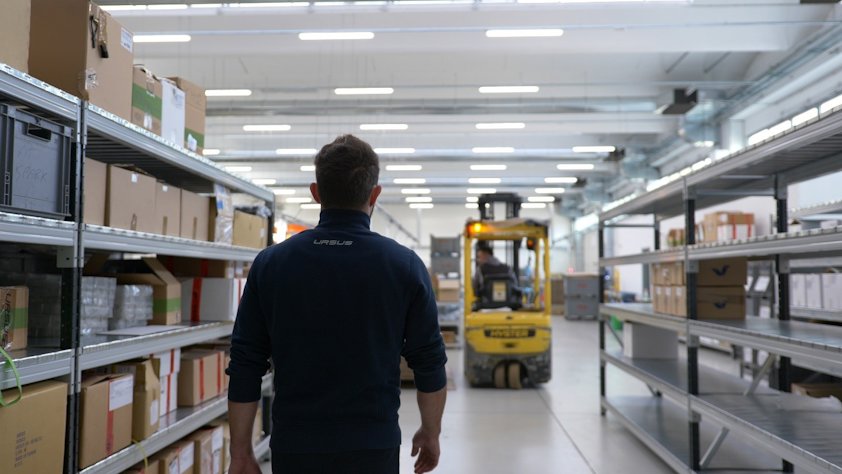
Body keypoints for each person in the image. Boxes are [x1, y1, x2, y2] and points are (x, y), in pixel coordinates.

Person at [226, 134, 448, 474]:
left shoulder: (271, 264)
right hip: (373, 445)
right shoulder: (403, 266)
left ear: (316, 193)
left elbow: (245, 363)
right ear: (375, 195)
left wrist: (240, 452)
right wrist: (431, 432)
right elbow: (429, 361)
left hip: (296, 446)